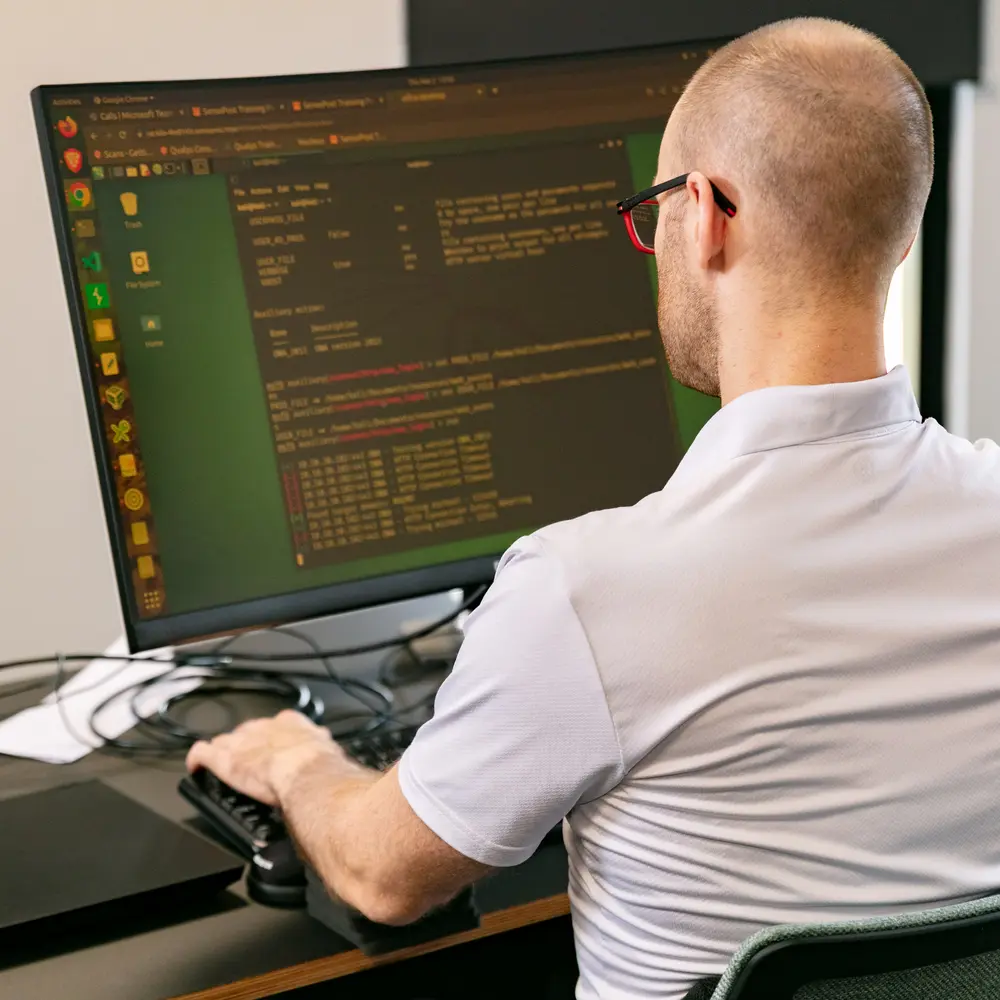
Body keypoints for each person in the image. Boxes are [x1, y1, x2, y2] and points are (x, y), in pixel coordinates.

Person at [187, 17, 1000, 1000]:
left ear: (708, 214)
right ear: (903, 233)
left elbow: (381, 876)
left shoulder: (584, 592)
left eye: (655, 210)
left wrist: (297, 761)